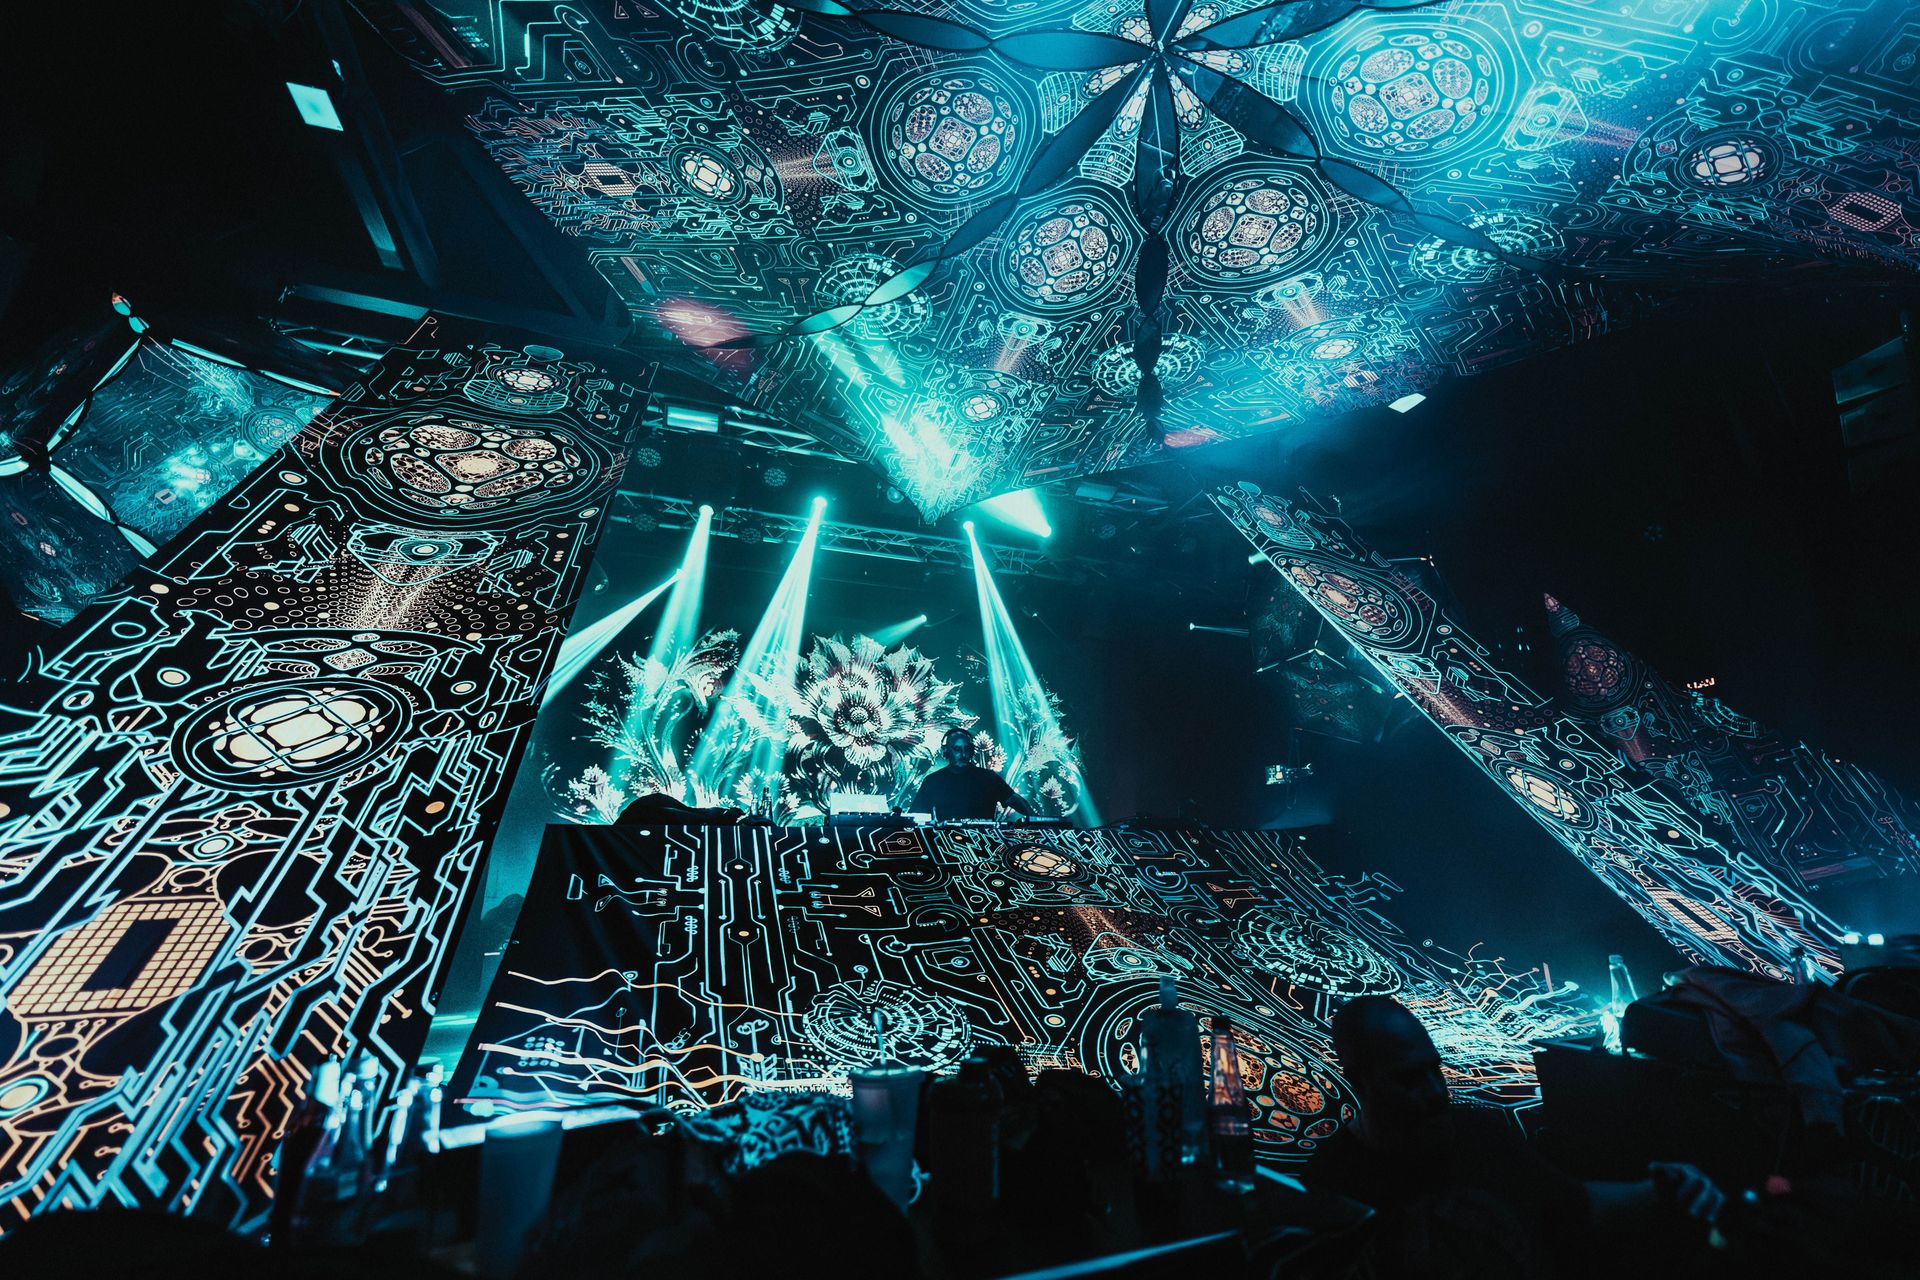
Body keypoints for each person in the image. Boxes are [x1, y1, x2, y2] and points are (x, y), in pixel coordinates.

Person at [1305, 995, 1725, 1279]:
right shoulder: (1333, 1182)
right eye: (1408, 1079)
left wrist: (1660, 1187)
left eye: (1434, 1070)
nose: (1434, 1091)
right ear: (1360, 1081)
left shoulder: (1480, 1133)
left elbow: (1570, 1202)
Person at [910, 728, 1037, 821]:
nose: (963, 754)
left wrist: (1037, 820)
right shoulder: (933, 781)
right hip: (946, 842)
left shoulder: (989, 778)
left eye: (967, 749)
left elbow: (1014, 800)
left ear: (972, 751)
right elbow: (916, 814)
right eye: (957, 749)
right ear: (946, 751)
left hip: (985, 840)